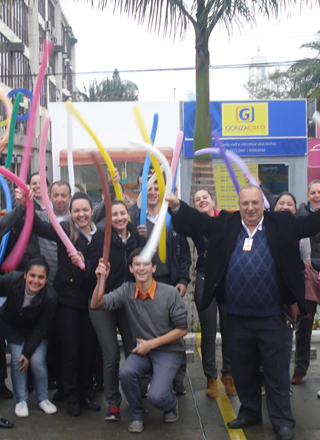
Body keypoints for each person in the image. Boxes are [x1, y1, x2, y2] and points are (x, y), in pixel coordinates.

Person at [167, 184, 320, 440]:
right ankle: (249, 412)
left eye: (255, 203)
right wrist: (177, 206)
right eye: (245, 203)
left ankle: (282, 420)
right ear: (239, 205)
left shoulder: (281, 222)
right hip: (236, 315)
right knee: (243, 369)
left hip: (272, 315)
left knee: (276, 372)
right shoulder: (226, 222)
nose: (250, 208)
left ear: (263, 204)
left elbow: (311, 224)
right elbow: (199, 222)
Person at [91, 248, 188, 433]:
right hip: (144, 350)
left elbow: (182, 329)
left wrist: (151, 344)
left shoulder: (169, 293)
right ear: (130, 268)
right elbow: (96, 304)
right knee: (126, 373)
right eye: (137, 264)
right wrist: (100, 279)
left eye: (146, 264)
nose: (141, 268)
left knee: (156, 397)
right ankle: (137, 414)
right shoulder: (127, 290)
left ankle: (170, 405)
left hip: (168, 350)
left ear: (153, 268)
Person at [32, 192, 103, 417]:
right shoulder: (64, 232)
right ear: (70, 214)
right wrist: (24, 200)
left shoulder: (100, 235)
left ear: (92, 211)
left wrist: (86, 263)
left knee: (88, 350)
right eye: (76, 211)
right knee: (70, 350)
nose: (81, 214)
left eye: (85, 210)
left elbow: (101, 269)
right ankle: (71, 397)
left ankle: (86, 393)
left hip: (92, 302)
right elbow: (39, 227)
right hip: (68, 302)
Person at [171, 188, 236, 398]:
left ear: (212, 200)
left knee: (229, 329)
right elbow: (180, 223)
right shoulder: (194, 222)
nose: (201, 201)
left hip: (227, 276)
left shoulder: (226, 219)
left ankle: (229, 374)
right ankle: (211, 377)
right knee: (208, 332)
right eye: (197, 199)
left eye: (205, 198)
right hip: (204, 275)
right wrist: (174, 207)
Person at [88, 200, 145, 421]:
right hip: (103, 301)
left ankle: (136, 396)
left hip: (129, 301)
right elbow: (91, 266)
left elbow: (145, 267)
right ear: (108, 219)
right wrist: (99, 271)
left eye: (122, 213)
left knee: (135, 350)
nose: (119, 217)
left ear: (128, 215)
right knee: (111, 354)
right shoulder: (100, 240)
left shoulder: (138, 239)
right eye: (114, 214)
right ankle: (113, 403)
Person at [0, 256, 57, 418]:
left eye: (41, 277)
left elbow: (42, 328)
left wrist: (28, 352)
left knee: (36, 361)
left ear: (46, 279)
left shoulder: (50, 297)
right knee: (18, 358)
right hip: (13, 326)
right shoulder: (11, 280)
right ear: (25, 274)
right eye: (32, 275)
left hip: (36, 331)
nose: (35, 281)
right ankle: (21, 400)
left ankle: (43, 398)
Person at [293, 180, 320, 388]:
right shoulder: (300, 217)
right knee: (304, 325)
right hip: (308, 277)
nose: (317, 195)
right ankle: (300, 369)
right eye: (313, 192)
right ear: (307, 195)